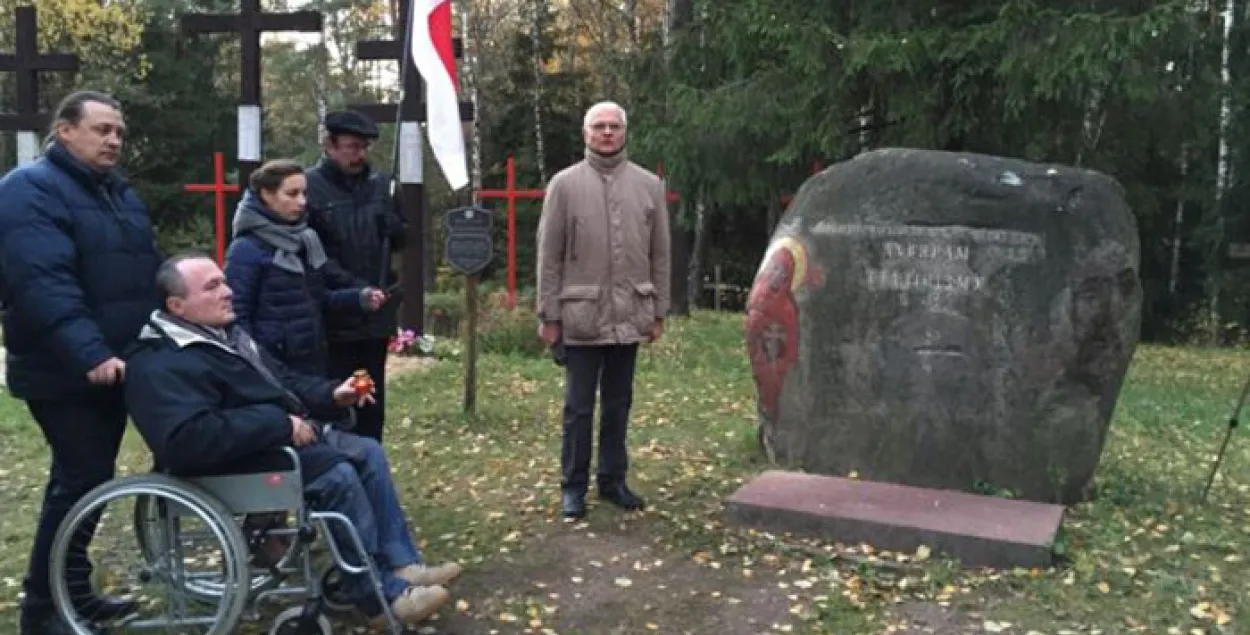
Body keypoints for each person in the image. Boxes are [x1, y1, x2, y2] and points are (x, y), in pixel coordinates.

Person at [124, 253, 462, 626]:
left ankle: (401, 565)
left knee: (367, 451)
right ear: (177, 306)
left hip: (267, 443)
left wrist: (333, 393)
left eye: (224, 281)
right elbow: (188, 439)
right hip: (227, 463)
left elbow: (283, 382)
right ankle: (377, 598)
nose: (228, 292)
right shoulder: (161, 362)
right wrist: (279, 423)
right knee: (337, 475)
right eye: (212, 286)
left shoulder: (227, 337)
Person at [0, 90, 162, 635]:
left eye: (119, 130)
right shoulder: (29, 191)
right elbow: (42, 283)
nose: (114, 139)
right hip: (64, 370)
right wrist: (91, 352)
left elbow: (141, 274)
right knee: (79, 480)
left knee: (87, 481)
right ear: (64, 131)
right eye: (102, 129)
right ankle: (43, 610)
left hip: (117, 362)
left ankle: (73, 594)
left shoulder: (116, 193)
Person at [535, 101, 671, 519]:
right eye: (599, 126)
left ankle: (613, 480)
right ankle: (572, 486)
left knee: (619, 402)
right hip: (580, 316)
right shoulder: (564, 184)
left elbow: (661, 251)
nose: (607, 133)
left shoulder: (649, 185)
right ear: (585, 133)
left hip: (630, 312)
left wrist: (658, 309)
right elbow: (549, 254)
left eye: (614, 126)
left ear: (625, 132)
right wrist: (548, 314)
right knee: (578, 407)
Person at [225, 158, 387, 378]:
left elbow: (315, 298)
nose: (302, 201)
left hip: (311, 359)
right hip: (272, 366)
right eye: (292, 194)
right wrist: (255, 366)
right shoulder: (246, 249)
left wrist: (359, 298)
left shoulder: (304, 240)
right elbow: (236, 315)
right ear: (266, 194)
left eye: (304, 193)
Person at [305, 110, 406, 442]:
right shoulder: (310, 190)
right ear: (329, 146)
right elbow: (315, 255)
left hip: (374, 317)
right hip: (334, 316)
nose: (359, 155)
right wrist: (355, 291)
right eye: (351, 147)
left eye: (363, 147)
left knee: (371, 401)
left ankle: (371, 461)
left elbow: (403, 241)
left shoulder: (383, 187)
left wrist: (396, 229)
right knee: (336, 400)